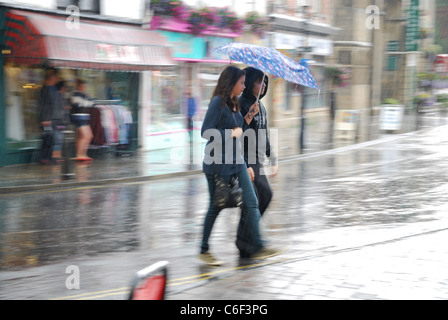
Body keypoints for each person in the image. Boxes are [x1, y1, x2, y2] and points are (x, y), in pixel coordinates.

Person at [199, 66, 282, 266]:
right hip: (218, 164)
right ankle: (204, 249)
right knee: (215, 206)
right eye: (242, 83)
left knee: (252, 201)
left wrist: (253, 162)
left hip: (238, 162)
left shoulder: (236, 103)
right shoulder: (218, 103)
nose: (244, 86)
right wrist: (234, 132)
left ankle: (258, 245)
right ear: (232, 83)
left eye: (246, 82)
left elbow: (243, 131)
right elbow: (206, 132)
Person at [239, 67, 278, 216]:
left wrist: (272, 157)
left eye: (265, 82)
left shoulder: (261, 107)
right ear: (249, 83)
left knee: (256, 198)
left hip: (257, 159)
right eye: (259, 82)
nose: (264, 85)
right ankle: (248, 233)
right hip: (246, 158)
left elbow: (264, 135)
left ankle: (248, 234)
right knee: (263, 194)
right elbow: (237, 133)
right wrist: (246, 164)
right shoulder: (241, 104)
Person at [37, 68, 65, 164]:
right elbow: (42, 105)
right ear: (51, 77)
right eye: (55, 76)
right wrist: (45, 118)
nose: (57, 78)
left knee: (54, 137)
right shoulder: (44, 89)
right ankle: (44, 158)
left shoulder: (55, 89)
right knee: (47, 138)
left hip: (55, 119)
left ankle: (50, 157)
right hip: (48, 119)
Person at [71, 79, 94, 161]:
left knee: (84, 136)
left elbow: (90, 104)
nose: (84, 88)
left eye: (85, 86)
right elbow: (82, 104)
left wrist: (88, 99)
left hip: (84, 117)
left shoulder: (82, 95)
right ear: (79, 86)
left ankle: (82, 154)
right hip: (78, 118)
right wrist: (88, 100)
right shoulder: (76, 95)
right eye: (83, 86)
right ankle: (79, 154)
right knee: (86, 136)